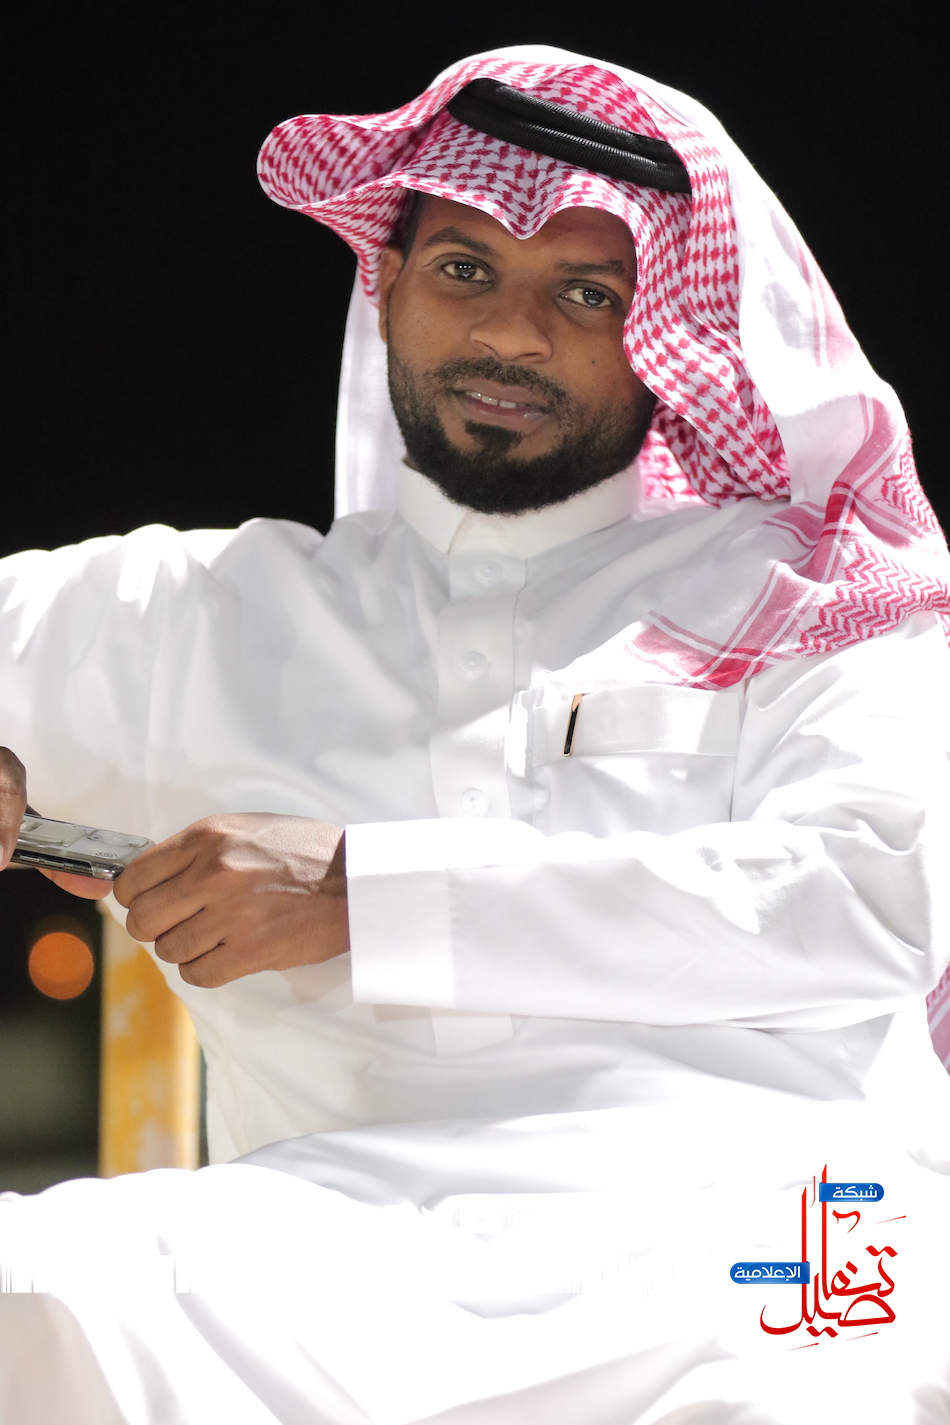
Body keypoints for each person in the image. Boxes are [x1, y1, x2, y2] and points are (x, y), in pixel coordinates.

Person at [2, 42, 950, 1425]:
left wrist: (361, 892)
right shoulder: (199, 611)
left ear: (669, 325)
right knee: (32, 1292)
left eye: (586, 292)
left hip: (760, 1228)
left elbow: (874, 897)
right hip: (326, 1245)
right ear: (383, 282)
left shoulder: (806, 593)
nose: (512, 335)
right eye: (464, 270)